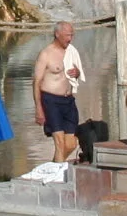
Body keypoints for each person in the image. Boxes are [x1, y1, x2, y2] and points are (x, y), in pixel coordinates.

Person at [30, 21, 86, 164]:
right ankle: (58, 179)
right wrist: (38, 109)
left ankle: (52, 168)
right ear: (57, 34)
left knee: (71, 144)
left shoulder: (71, 52)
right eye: (67, 35)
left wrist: (77, 73)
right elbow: (36, 82)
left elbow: (77, 73)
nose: (70, 39)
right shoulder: (46, 54)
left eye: (72, 35)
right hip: (51, 100)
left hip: (68, 100)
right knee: (60, 144)